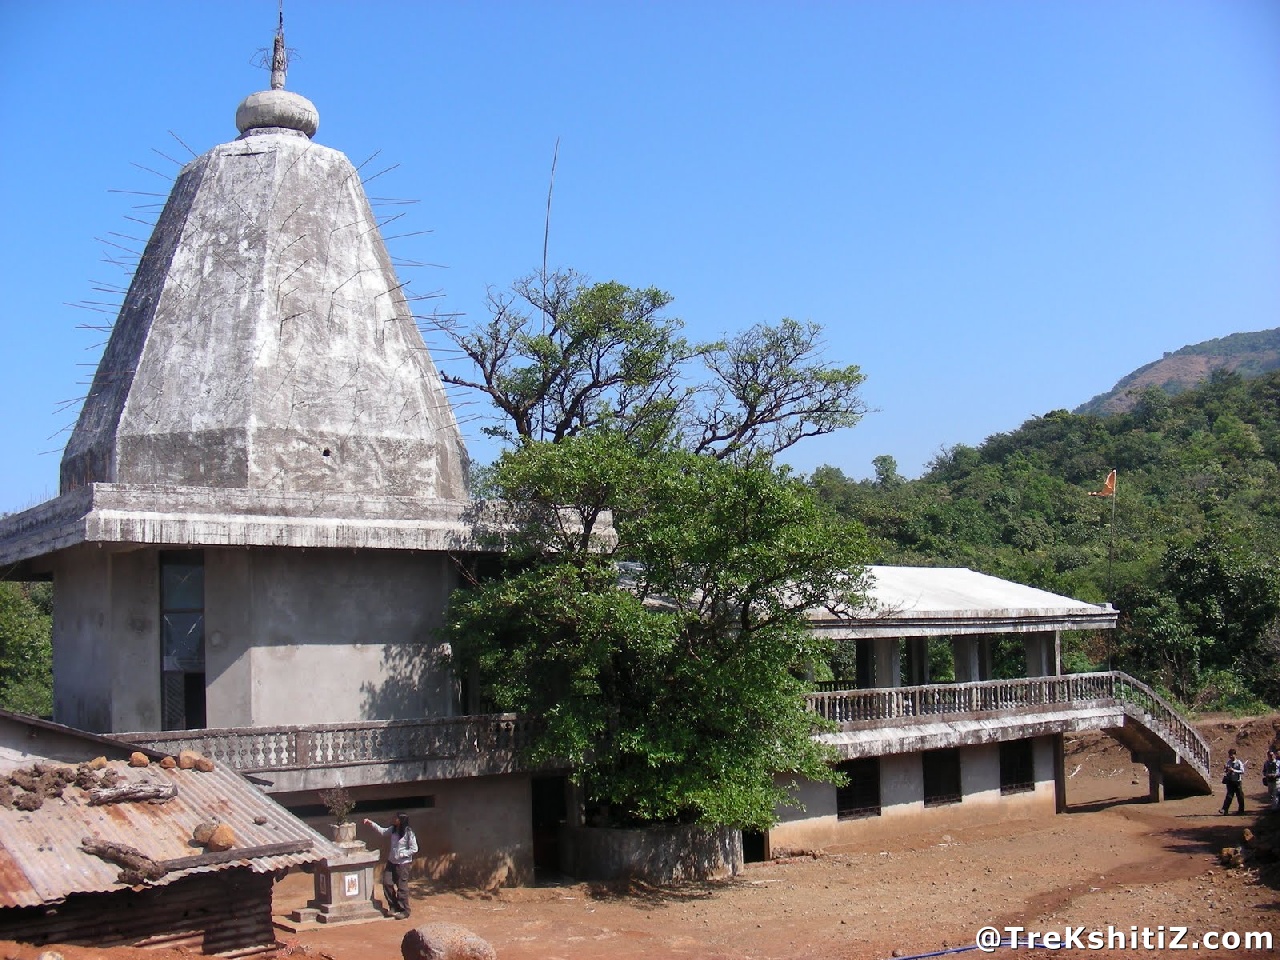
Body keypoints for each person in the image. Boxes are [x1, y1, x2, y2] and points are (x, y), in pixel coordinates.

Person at [363, 812, 418, 919]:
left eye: (396, 818)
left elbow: (414, 848)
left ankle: (405, 910)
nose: (394, 819)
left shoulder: (408, 833)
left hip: (403, 864)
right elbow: (382, 831)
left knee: (402, 888)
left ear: (401, 820)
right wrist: (371, 823)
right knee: (387, 883)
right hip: (391, 862)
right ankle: (394, 906)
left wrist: (402, 854)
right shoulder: (393, 829)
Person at [1220, 748, 1246, 815]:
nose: (1230, 756)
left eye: (1231, 755)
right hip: (1230, 781)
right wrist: (1226, 769)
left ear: (1235, 755)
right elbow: (1226, 771)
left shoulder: (1239, 762)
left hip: (1237, 782)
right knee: (1229, 796)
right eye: (1229, 755)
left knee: (1240, 797)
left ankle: (1241, 810)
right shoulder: (1228, 762)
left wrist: (1234, 770)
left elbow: (1242, 771)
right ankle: (1224, 810)